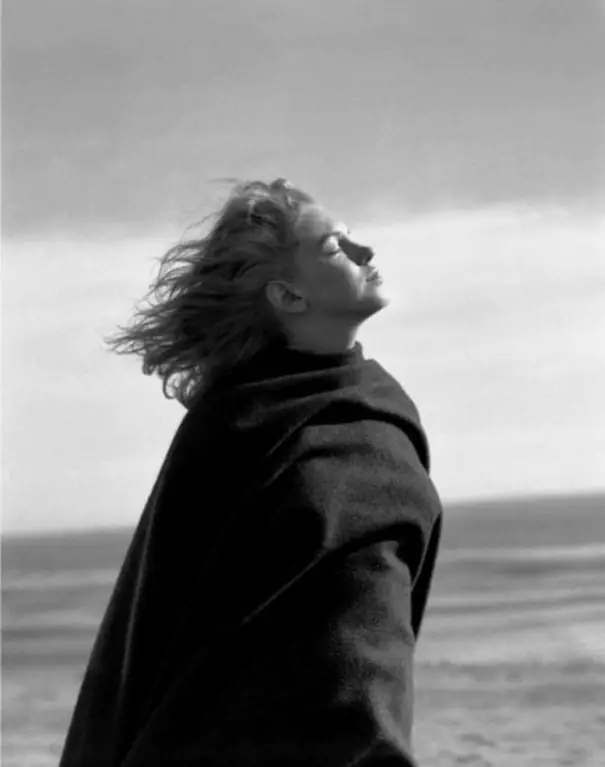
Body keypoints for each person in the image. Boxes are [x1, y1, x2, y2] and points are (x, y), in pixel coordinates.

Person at [59, 178, 443, 766]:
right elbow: (341, 670)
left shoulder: (363, 406)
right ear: (288, 295)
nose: (366, 251)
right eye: (336, 247)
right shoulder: (240, 424)